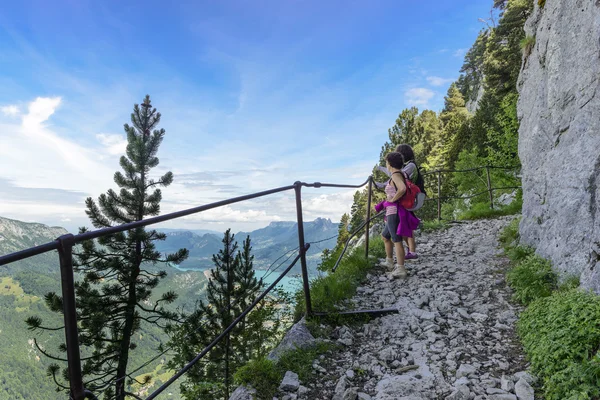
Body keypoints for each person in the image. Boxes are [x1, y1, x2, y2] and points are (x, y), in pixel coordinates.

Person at [374, 152, 420, 278]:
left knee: (396, 240)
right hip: (393, 211)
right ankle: (389, 262)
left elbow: (402, 189)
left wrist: (392, 199)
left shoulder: (395, 175)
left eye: (386, 162)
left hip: (394, 211)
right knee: (385, 236)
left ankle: (400, 269)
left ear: (389, 163)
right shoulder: (400, 174)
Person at [395, 144, 422, 260]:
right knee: (405, 224)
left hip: (410, 199)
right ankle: (411, 250)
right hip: (413, 197)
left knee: (404, 224)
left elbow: (399, 176)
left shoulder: (410, 166)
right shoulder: (411, 164)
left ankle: (412, 251)